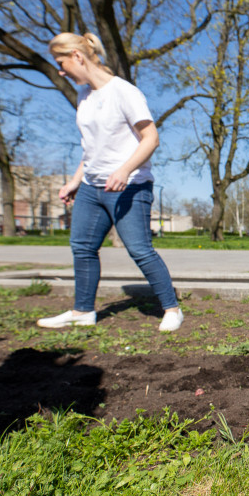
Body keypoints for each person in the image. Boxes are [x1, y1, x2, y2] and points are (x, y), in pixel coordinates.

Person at [37, 32, 183, 332]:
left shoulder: (124, 92)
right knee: (82, 246)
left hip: (129, 186)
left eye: (61, 63)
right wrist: (74, 181)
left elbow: (151, 138)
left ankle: (171, 308)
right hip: (92, 187)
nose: (60, 71)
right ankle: (83, 312)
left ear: (78, 57)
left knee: (140, 249)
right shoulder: (85, 96)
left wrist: (124, 170)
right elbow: (92, 147)